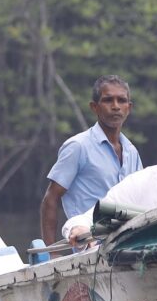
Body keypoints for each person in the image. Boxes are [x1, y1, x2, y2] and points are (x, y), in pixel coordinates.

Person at [40, 75, 140, 247]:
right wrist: (51, 253)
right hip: (88, 246)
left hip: (125, 244)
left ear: (128, 108)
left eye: (121, 100)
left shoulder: (132, 151)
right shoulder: (78, 147)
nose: (116, 106)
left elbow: (139, 198)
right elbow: (51, 199)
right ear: (94, 107)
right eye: (108, 100)